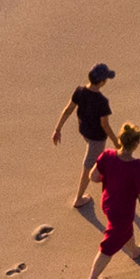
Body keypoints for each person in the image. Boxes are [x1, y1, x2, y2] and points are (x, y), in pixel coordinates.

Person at [79, 124, 140, 279]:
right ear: (136, 144)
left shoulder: (107, 155)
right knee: (109, 245)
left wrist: (110, 178)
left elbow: (93, 176)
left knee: (125, 229)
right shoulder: (137, 166)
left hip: (108, 203)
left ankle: (134, 250)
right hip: (122, 210)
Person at [51, 64, 118, 208]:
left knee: (94, 158)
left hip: (84, 132)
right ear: (102, 82)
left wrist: (58, 129)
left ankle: (103, 171)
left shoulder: (79, 91)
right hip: (97, 138)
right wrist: (116, 141)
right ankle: (79, 198)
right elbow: (105, 125)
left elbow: (68, 110)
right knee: (88, 166)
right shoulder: (102, 101)